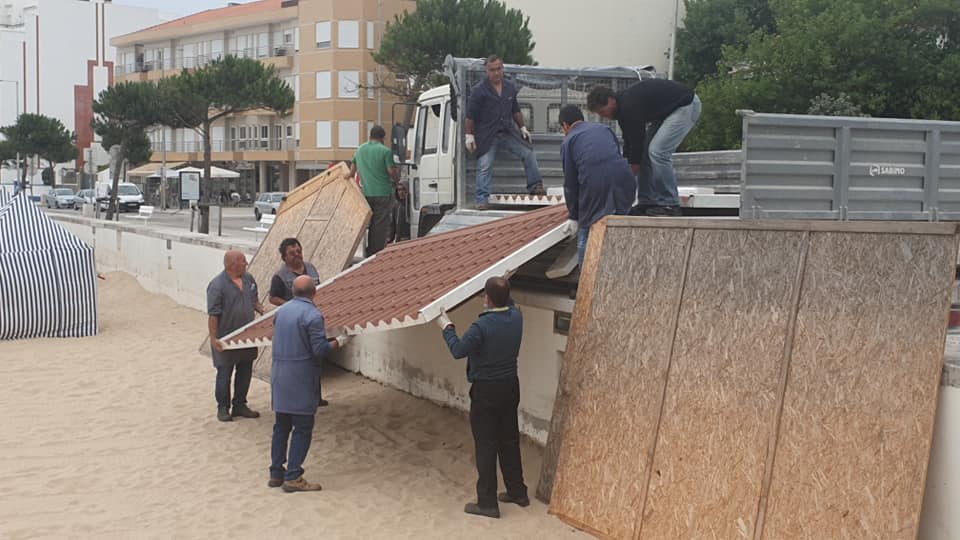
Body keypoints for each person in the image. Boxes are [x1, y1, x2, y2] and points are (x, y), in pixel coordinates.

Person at [437, 276, 528, 519]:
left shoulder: (481, 327)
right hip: (510, 385)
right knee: (509, 439)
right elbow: (507, 300)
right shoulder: (517, 316)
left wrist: (447, 327)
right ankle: (518, 492)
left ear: (486, 298)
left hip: (486, 390)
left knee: (486, 445)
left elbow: (458, 350)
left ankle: (487, 503)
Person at [269, 275, 349, 492]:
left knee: (281, 425)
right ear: (314, 292)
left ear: (294, 292)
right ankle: (293, 476)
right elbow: (319, 350)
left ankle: (277, 472)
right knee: (302, 428)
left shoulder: (281, 312)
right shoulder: (313, 315)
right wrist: (338, 342)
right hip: (300, 377)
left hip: (279, 375)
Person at [586, 79, 702, 217]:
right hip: (668, 112)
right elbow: (630, 143)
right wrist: (628, 168)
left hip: (685, 105)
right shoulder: (623, 110)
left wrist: (627, 176)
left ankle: (670, 204)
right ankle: (647, 201)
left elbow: (637, 143)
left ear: (611, 101)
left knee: (658, 151)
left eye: (601, 111)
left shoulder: (629, 106)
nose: (602, 116)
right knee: (646, 153)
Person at [558, 105, 636, 266]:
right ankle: (618, 273)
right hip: (625, 178)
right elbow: (614, 155)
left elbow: (571, 183)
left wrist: (574, 216)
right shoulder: (604, 129)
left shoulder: (569, 140)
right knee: (618, 227)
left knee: (587, 230)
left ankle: (584, 282)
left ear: (565, 125)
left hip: (595, 182)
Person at [465, 55, 544, 209]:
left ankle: (535, 187)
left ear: (503, 69)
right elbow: (470, 116)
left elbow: (515, 110)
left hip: (507, 131)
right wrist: (469, 135)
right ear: (487, 71)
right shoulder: (479, 90)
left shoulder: (509, 87)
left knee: (528, 153)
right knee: (485, 164)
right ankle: (482, 199)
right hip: (487, 135)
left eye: (499, 69)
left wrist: (522, 127)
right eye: (492, 70)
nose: (496, 73)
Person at [269, 237, 328, 407]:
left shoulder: (311, 268)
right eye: (292, 253)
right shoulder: (279, 277)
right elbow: (273, 297)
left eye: (299, 251)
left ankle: (316, 396)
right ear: (284, 257)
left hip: (312, 319)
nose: (297, 255)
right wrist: (291, 306)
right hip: (292, 325)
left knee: (316, 358)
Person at [207, 250, 264, 422]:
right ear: (232, 265)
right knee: (224, 372)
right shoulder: (217, 285)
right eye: (243, 262)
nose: (246, 264)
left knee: (245, 370)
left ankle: (240, 404)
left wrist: (263, 311)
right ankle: (223, 407)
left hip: (247, 336)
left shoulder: (249, 279)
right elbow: (213, 315)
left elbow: (254, 300)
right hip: (226, 337)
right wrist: (214, 338)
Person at [351, 125, 400, 256]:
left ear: (370, 136)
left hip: (366, 194)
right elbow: (391, 171)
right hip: (383, 193)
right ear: (383, 137)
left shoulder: (360, 150)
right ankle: (374, 254)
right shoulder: (385, 151)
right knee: (380, 226)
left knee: (370, 224)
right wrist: (397, 179)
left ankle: (368, 251)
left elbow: (352, 170)